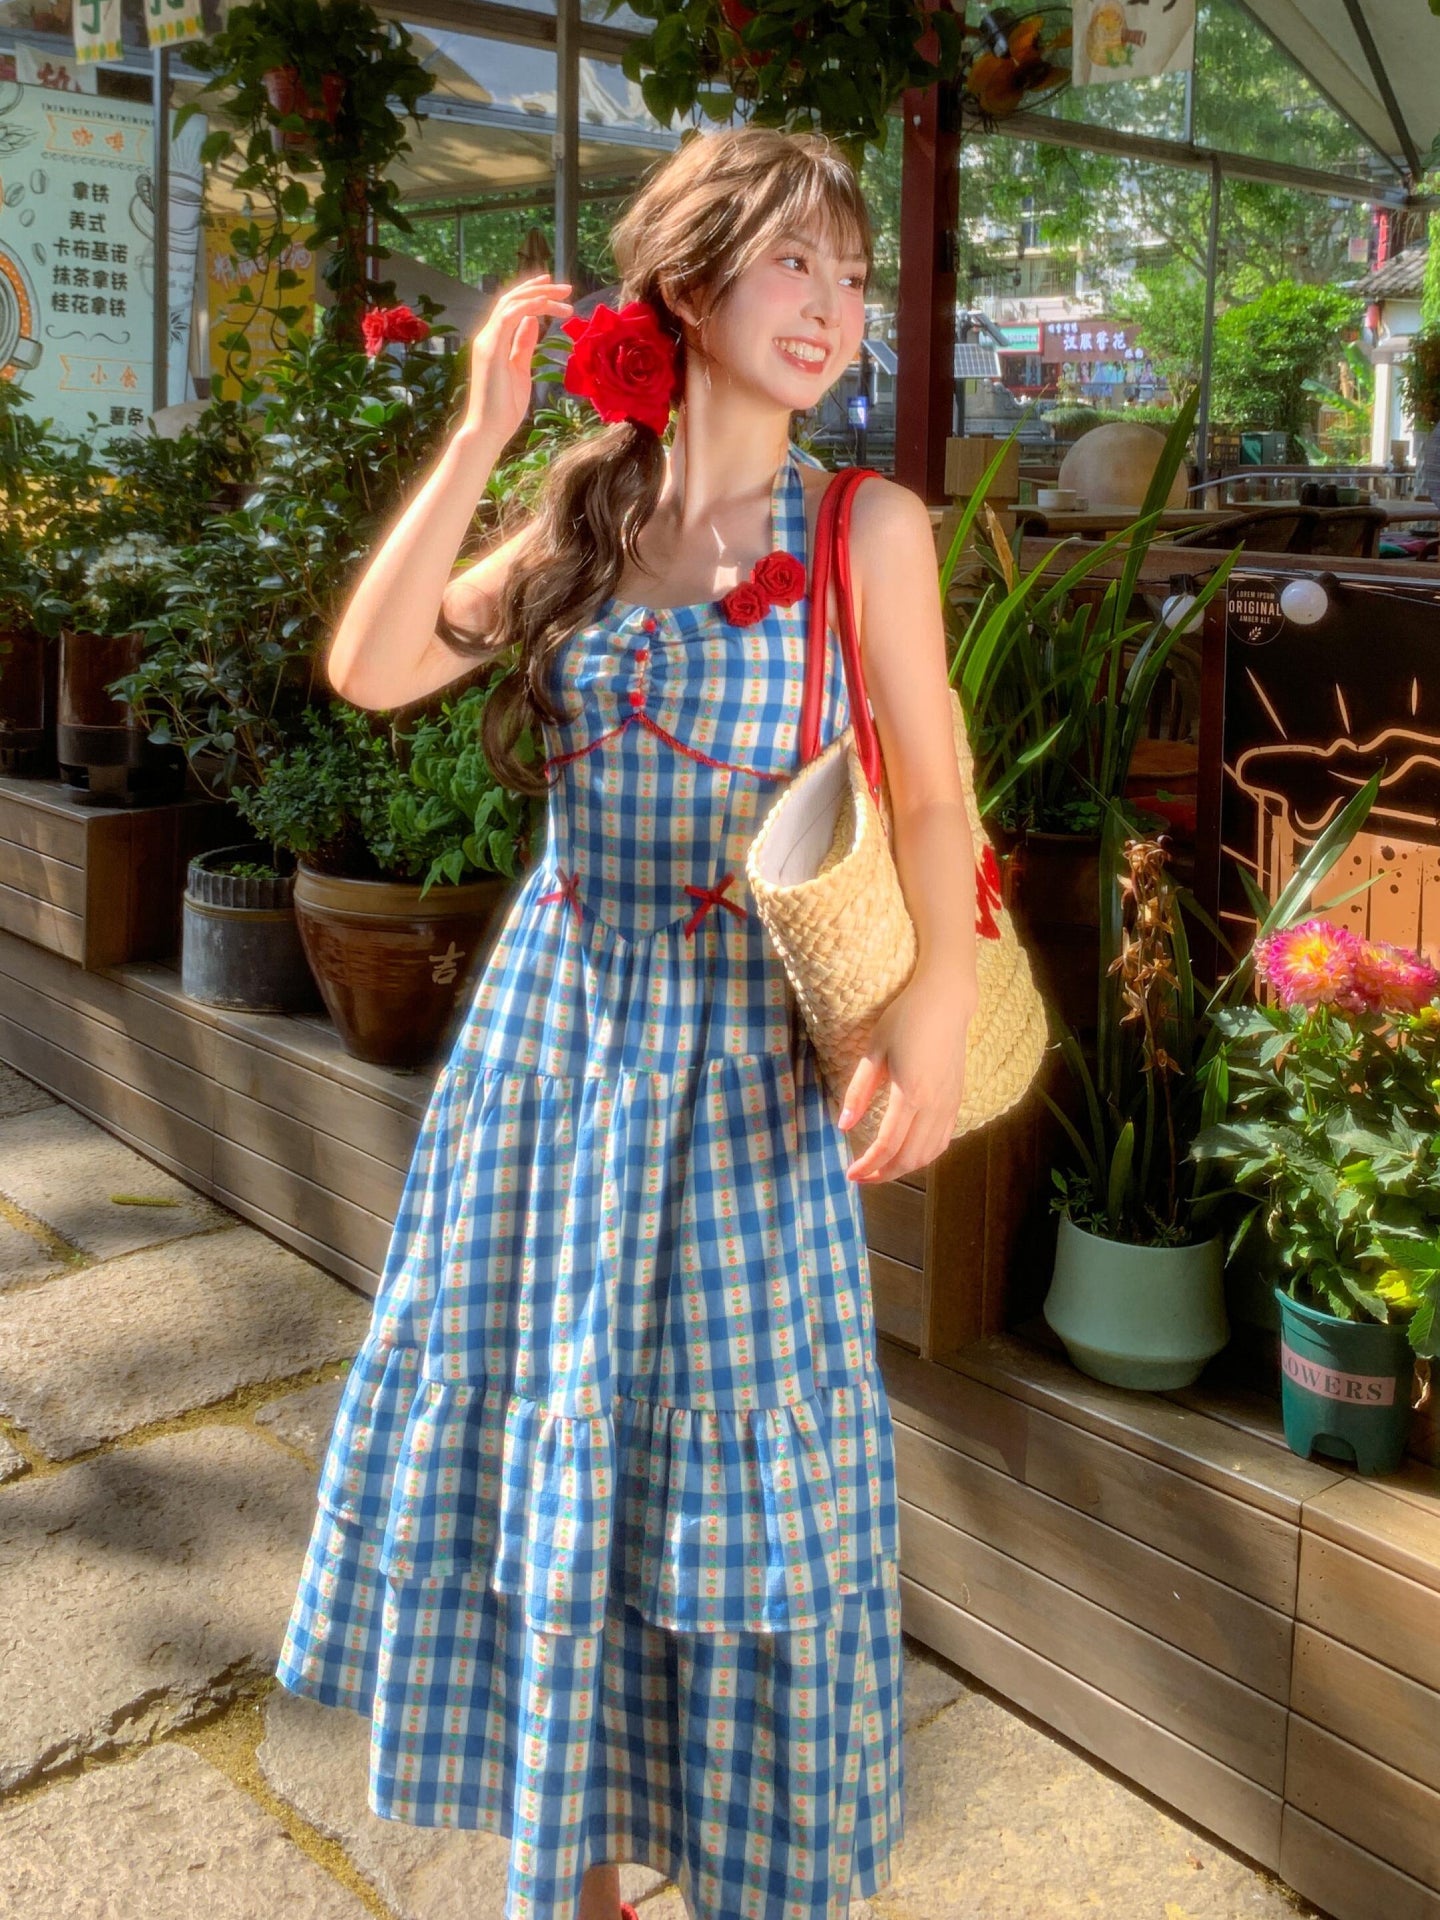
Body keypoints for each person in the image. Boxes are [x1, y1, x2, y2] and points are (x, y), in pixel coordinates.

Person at [276, 126, 977, 1920]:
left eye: (847, 270)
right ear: (686, 286)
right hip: (548, 1063)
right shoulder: (587, 514)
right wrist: (480, 434)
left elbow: (932, 809)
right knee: (547, 1457)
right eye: (789, 264)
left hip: (744, 1077)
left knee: (730, 1494)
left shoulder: (860, 529)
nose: (830, 306)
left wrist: (939, 1027)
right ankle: (569, 1874)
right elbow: (373, 666)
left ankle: (734, 1865)